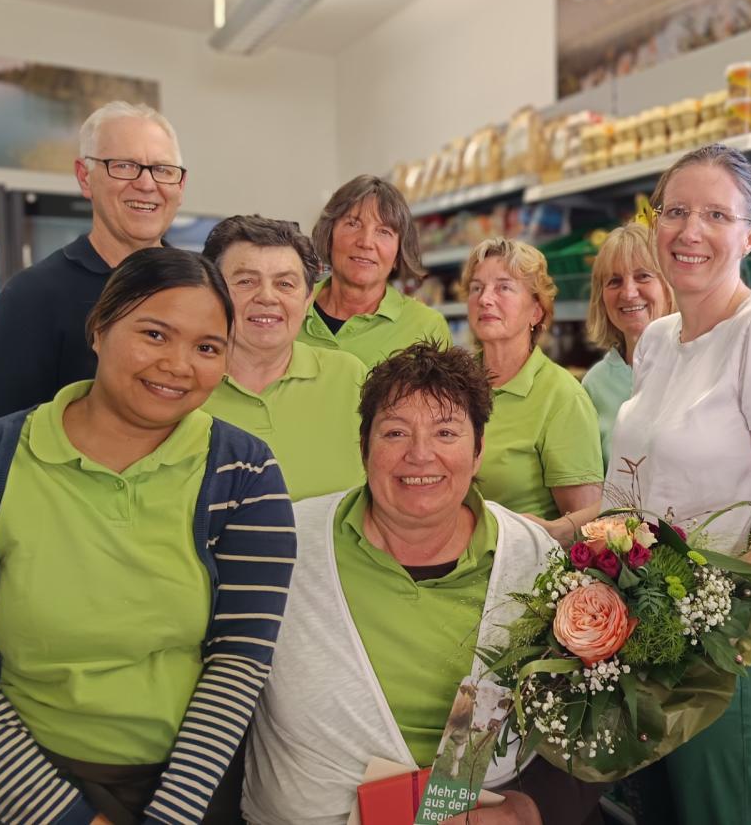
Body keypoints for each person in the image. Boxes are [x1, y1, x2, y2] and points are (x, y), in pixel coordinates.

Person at [0, 247, 296, 825]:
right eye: (155, 334)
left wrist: (170, 816)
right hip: (10, 780)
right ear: (100, 328)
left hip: (189, 782)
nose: (178, 364)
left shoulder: (244, 472)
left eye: (207, 347)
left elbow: (239, 661)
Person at [565, 144, 751, 825]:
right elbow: (639, 486)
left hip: (722, 637)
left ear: (750, 234)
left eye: (716, 214)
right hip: (639, 622)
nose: (690, 230)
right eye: (675, 211)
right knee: (656, 810)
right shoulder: (656, 340)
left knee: (722, 811)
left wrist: (719, 617)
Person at [242, 342, 603, 825]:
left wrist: (528, 809)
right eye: (394, 432)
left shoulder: (534, 562)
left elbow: (590, 720)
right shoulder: (287, 545)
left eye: (446, 432)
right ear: (364, 448)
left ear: (478, 453)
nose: (420, 454)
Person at [0, 101, 186, 421]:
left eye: (162, 170)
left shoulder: (201, 290)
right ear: (85, 177)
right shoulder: (31, 296)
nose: (147, 184)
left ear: (180, 185)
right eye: (124, 165)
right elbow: (0, 442)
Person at [201, 214, 369, 501]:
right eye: (246, 281)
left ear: (307, 300)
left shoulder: (349, 377)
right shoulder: (185, 384)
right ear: (211, 293)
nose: (267, 297)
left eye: (285, 284)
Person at [461, 238, 602, 527]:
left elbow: (585, 525)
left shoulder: (561, 396)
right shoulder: (451, 382)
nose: (485, 298)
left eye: (504, 287)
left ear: (536, 312)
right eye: (477, 288)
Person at [298, 175, 450, 367]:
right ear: (329, 235)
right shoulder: (291, 308)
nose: (366, 242)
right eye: (353, 224)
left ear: (398, 253)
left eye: (384, 231)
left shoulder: (427, 328)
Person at [581, 222, 674, 472]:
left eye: (643, 276)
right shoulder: (594, 385)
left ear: (669, 286)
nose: (629, 293)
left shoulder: (700, 365)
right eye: (614, 281)